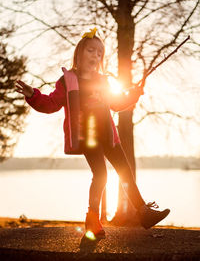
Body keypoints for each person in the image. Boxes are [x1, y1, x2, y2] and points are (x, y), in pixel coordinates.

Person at [16, 28, 170, 237]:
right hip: (88, 137)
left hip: (108, 135)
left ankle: (144, 213)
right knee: (101, 175)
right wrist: (33, 95)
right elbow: (51, 103)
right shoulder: (68, 80)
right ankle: (92, 220)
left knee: (125, 172)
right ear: (79, 53)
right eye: (91, 51)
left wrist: (133, 95)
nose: (96, 56)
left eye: (99, 53)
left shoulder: (103, 81)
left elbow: (116, 103)